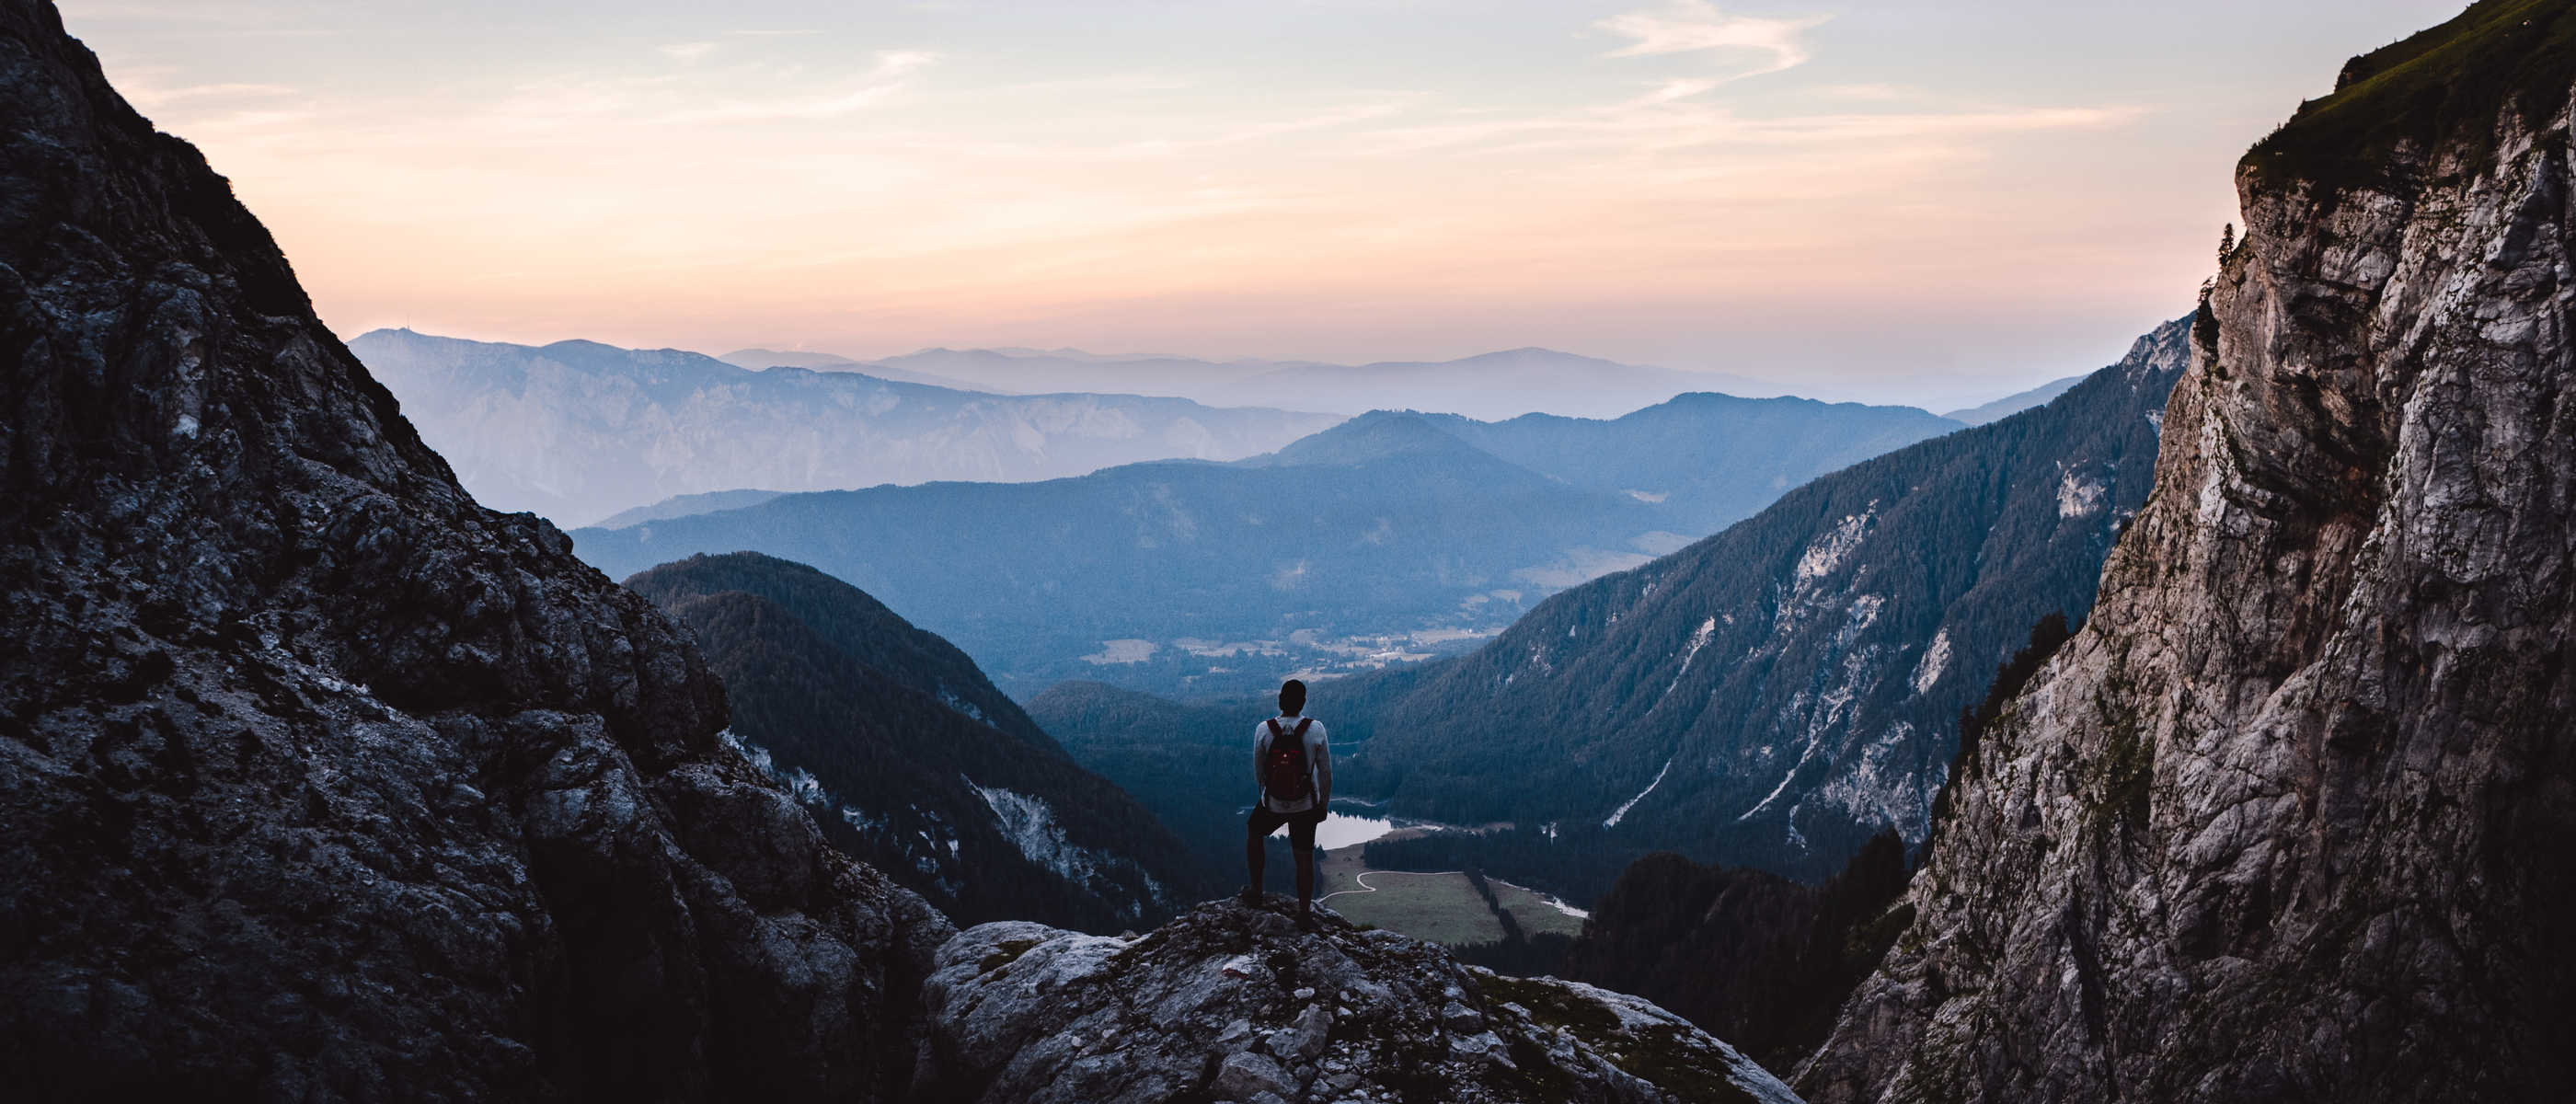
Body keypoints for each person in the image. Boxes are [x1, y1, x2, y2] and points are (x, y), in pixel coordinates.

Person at [1244, 677, 1330, 929]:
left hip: (1272, 803)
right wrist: (1322, 805)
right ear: (1303, 702)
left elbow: (1258, 773)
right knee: (1303, 858)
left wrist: (1271, 797)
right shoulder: (1316, 730)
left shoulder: (1264, 729)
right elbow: (1325, 773)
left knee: (1254, 831)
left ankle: (1257, 891)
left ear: (1280, 700)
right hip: (1306, 805)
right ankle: (1304, 914)